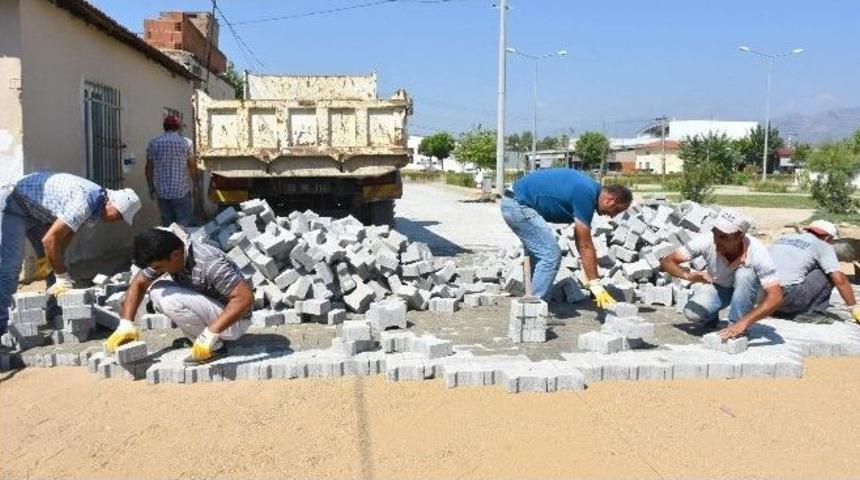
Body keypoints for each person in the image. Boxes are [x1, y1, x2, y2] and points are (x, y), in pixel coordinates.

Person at [0, 172, 140, 333]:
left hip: (36, 211)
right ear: (112, 203)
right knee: (10, 266)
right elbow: (49, 240)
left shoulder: (95, 206)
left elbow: (67, 234)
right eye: (119, 215)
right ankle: (3, 324)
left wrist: (53, 260)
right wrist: (61, 275)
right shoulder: (86, 201)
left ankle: (56, 311)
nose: (117, 220)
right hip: (13, 203)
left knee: (58, 258)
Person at [105, 228, 253, 365]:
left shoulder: (209, 263)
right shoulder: (170, 255)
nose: (157, 271)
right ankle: (198, 338)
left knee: (169, 299)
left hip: (235, 321)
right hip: (215, 311)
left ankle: (215, 347)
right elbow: (139, 283)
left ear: (175, 254)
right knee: (157, 290)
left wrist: (210, 333)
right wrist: (126, 324)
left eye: (159, 267)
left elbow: (245, 298)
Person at [500, 168, 633, 306]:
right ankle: (533, 310)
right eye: (616, 210)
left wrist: (592, 279)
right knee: (550, 255)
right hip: (518, 204)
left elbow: (580, 238)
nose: (612, 216)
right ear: (610, 200)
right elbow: (585, 245)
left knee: (542, 255)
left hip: (516, 200)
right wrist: (595, 283)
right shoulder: (586, 193)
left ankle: (532, 300)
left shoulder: (590, 190)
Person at [660, 209, 784, 339]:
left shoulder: (757, 251)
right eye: (715, 232)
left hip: (749, 289)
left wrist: (743, 323)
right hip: (721, 288)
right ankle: (711, 319)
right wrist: (687, 275)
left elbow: (776, 297)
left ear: (740, 236)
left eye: (724, 236)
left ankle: (736, 327)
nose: (717, 239)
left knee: (745, 274)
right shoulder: (707, 240)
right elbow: (667, 261)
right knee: (692, 314)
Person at [768, 220, 860, 323]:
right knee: (829, 274)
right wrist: (854, 307)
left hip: (763, 296)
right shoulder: (822, 245)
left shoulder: (782, 239)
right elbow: (839, 279)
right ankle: (812, 313)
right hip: (786, 298)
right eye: (832, 240)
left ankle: (776, 310)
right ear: (828, 237)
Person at [146, 115, 196, 226]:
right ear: (178, 127)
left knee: (168, 226)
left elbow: (149, 167)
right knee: (185, 224)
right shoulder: (186, 143)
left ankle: (170, 243)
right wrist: (195, 184)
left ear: (164, 127)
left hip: (162, 192)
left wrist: (150, 186)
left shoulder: (153, 143)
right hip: (181, 191)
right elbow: (192, 166)